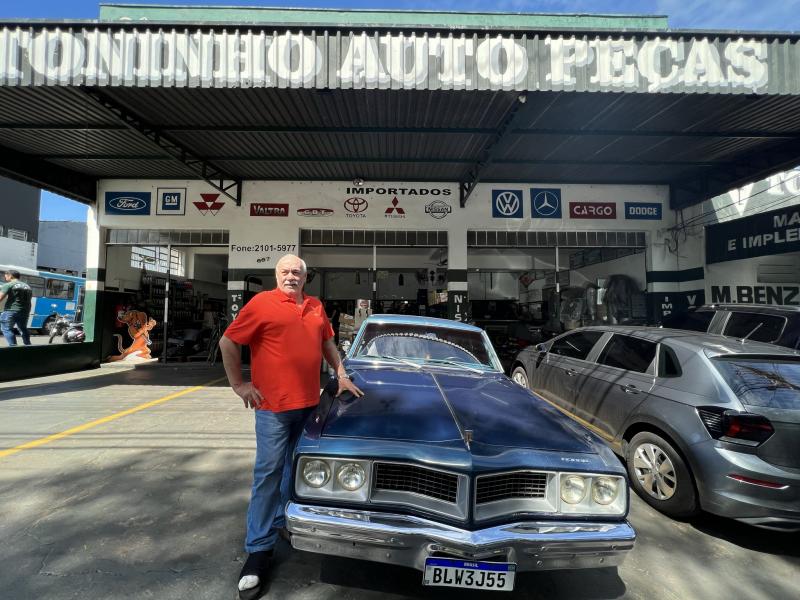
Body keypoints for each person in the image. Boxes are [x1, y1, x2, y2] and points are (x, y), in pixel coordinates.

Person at [218, 254, 363, 600]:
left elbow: (327, 342)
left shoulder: (315, 306)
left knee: (293, 470)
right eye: (285, 271)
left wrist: (340, 375)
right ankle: (258, 549)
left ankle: (282, 523)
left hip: (309, 406)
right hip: (272, 409)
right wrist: (239, 385)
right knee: (268, 472)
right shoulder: (261, 303)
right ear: (276, 275)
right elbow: (228, 342)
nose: (291, 276)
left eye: (297, 272)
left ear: (305, 277)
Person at [0, 270, 32, 347]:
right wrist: (27, 311)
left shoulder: (8, 285)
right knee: (23, 328)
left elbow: (0, 297)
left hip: (10, 310)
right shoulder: (27, 286)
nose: (5, 277)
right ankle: (28, 345)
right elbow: (29, 301)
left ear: (10, 276)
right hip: (24, 311)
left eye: (6, 276)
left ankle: (13, 346)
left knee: (6, 329)